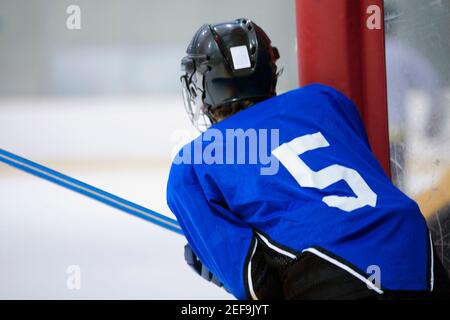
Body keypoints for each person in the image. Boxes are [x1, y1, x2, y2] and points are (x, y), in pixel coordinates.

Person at [166, 18, 450, 300]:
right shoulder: (326, 100)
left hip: (334, 277)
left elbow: (258, 289)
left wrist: (225, 268)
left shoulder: (193, 162)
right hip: (416, 252)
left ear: (203, 89)